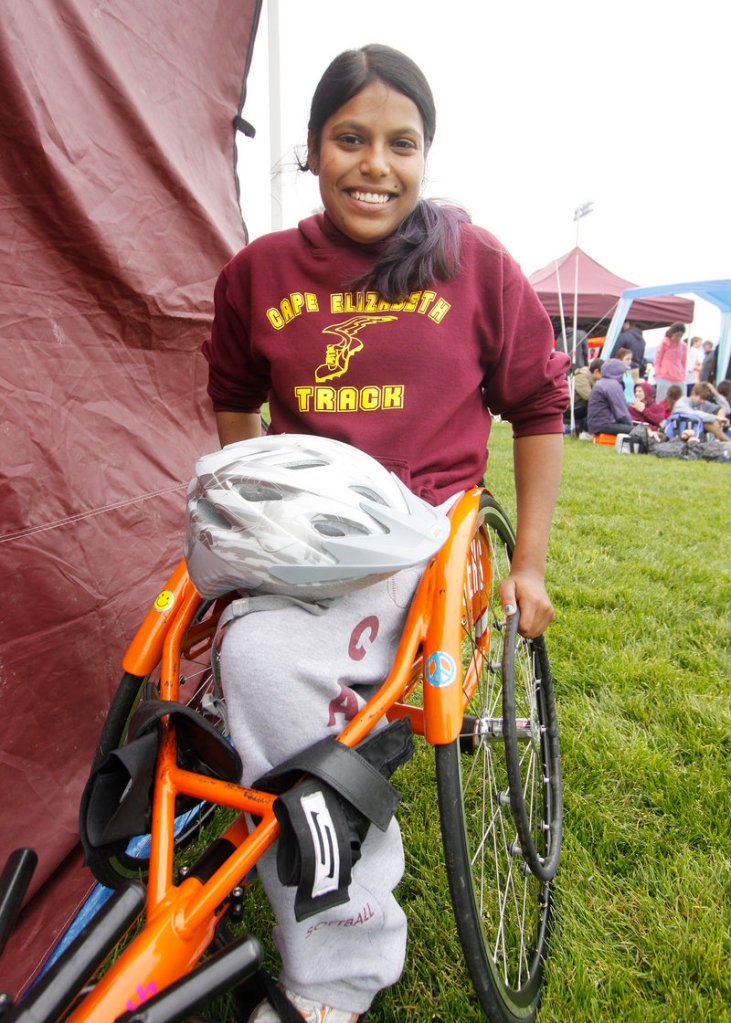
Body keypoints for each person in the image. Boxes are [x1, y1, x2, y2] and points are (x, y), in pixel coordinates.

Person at [200, 44, 569, 1023]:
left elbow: (537, 408)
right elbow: (234, 401)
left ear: (425, 155)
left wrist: (524, 565)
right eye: (350, 138)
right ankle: (270, 794)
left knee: (264, 664)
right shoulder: (258, 274)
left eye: (399, 143)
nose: (374, 163)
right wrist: (256, 500)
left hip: (417, 533)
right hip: (306, 525)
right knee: (220, 654)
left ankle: (338, 967)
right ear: (312, 151)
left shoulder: (472, 263)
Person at [586, 358, 634, 436]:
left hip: (595, 425)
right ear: (617, 372)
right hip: (605, 425)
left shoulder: (602, 382)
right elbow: (621, 413)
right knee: (640, 432)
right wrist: (630, 426)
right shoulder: (613, 385)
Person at [653, 322, 688, 400]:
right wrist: (658, 374)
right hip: (664, 377)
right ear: (671, 333)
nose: (678, 338)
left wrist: (683, 373)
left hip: (679, 377)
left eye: (681, 336)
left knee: (682, 399)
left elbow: (683, 362)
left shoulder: (683, 346)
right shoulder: (663, 344)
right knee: (662, 400)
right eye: (677, 335)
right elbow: (657, 360)